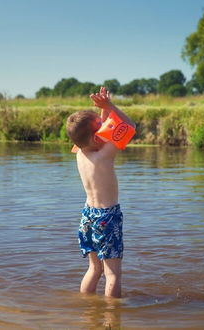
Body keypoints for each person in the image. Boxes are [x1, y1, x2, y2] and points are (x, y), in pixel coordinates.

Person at [66, 87, 136, 297]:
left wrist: (102, 109)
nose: (106, 125)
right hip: (107, 217)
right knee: (113, 274)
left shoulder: (79, 152)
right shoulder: (104, 155)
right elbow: (130, 127)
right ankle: (111, 319)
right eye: (101, 125)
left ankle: (88, 310)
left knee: (94, 269)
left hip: (88, 216)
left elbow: (92, 133)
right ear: (98, 138)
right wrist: (110, 106)